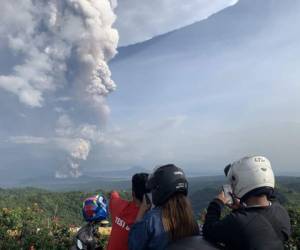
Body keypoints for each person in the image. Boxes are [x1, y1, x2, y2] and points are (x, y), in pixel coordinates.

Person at [203, 156, 291, 250]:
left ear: (244, 182)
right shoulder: (281, 211)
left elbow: (208, 231)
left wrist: (217, 203)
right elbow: (259, 230)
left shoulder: (237, 221)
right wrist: (241, 209)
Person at [129, 164, 199, 250]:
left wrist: (141, 211)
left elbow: (134, 246)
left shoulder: (152, 219)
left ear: (161, 190)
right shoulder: (191, 219)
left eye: (154, 188)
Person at [106, 173, 149, 250]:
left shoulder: (118, 206)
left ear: (133, 193)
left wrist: (113, 193)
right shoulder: (150, 220)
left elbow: (113, 194)